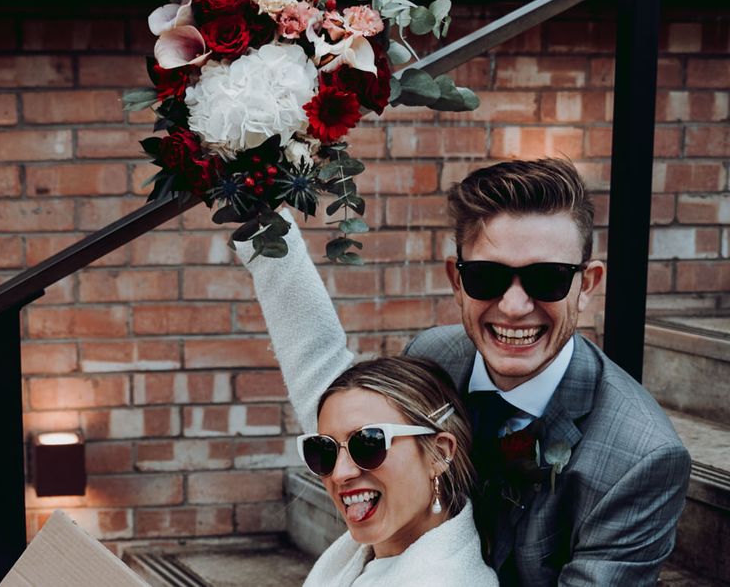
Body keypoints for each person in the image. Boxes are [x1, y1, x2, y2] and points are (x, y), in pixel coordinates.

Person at [238, 157, 691, 586]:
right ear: (456, 280)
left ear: (586, 285)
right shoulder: (437, 355)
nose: (514, 307)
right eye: (487, 278)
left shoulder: (640, 458)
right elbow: (339, 404)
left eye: (548, 278)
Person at [296, 357, 498, 586]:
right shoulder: (367, 558)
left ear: (438, 454)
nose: (339, 473)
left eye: (367, 444)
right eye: (323, 450)